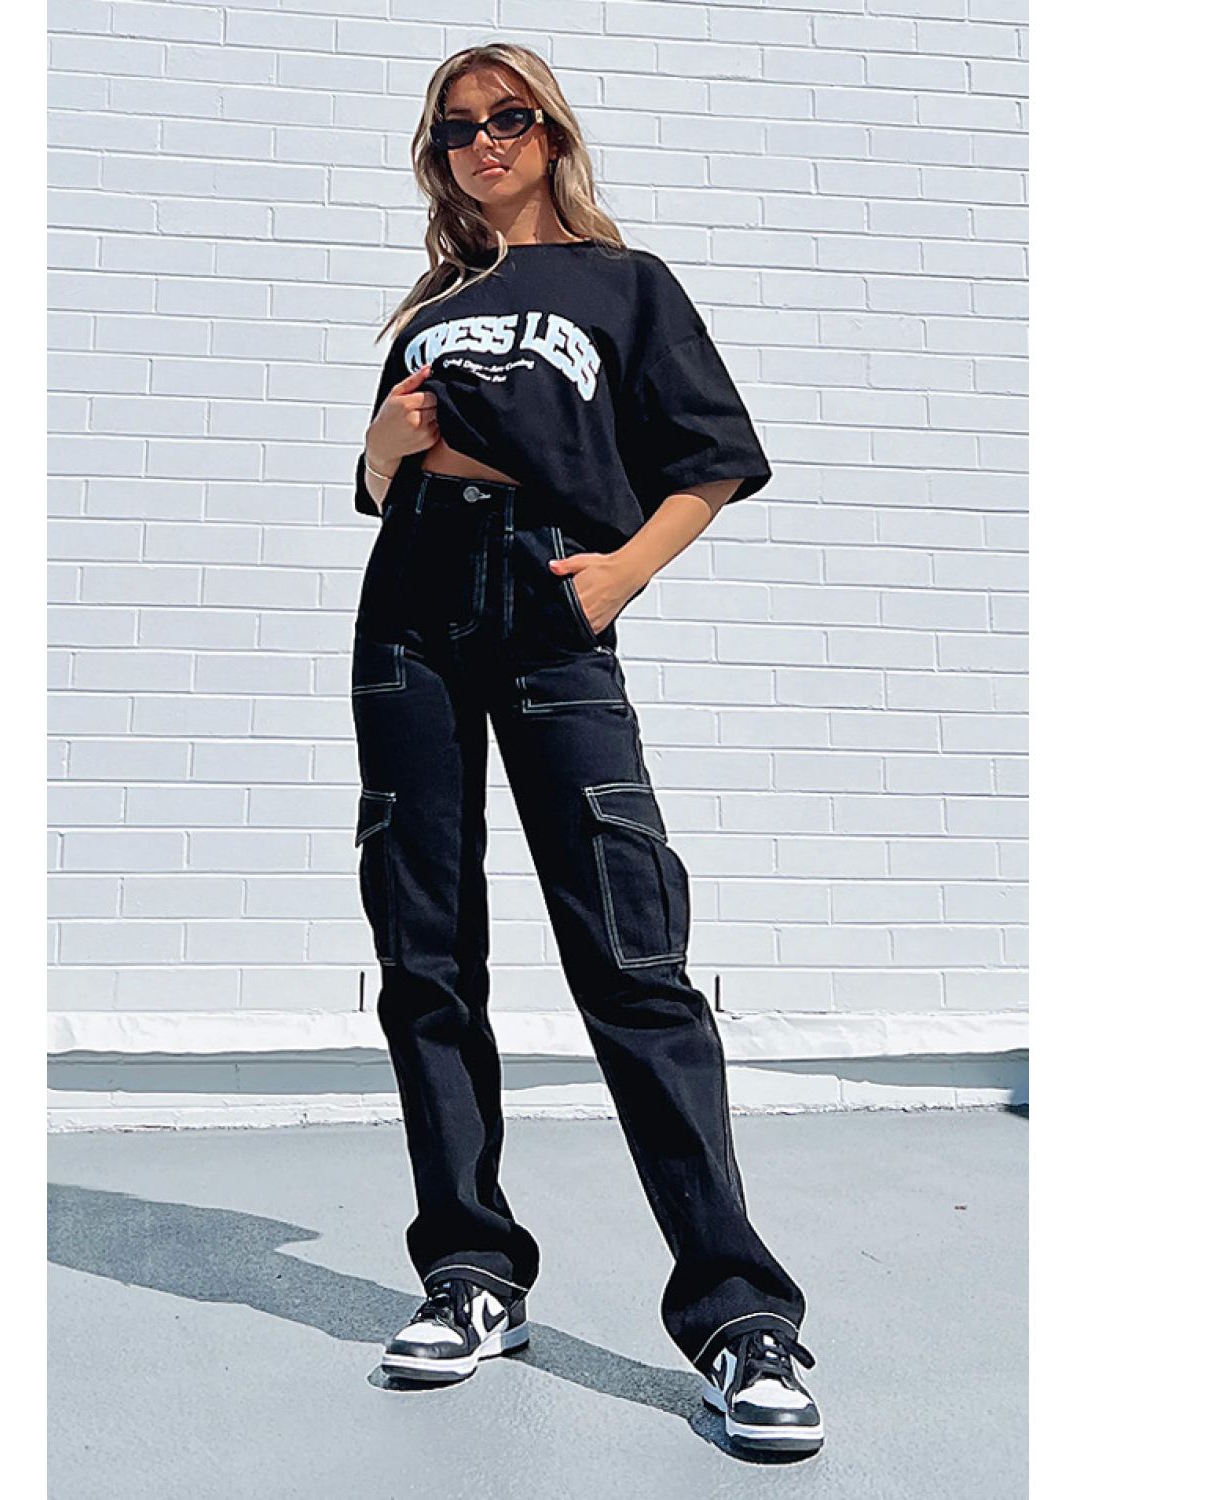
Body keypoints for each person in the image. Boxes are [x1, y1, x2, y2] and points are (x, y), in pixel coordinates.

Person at [349, 43, 823, 1456]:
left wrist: (621, 573)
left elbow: (712, 460)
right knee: (426, 955)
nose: (485, 142)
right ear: (437, 156)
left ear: (553, 134)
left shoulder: (627, 285)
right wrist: (382, 445)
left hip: (551, 593)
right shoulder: (433, 303)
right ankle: (470, 1272)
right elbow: (372, 483)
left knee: (629, 953)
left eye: (511, 119)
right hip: (410, 608)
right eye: (458, 129)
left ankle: (740, 1315)